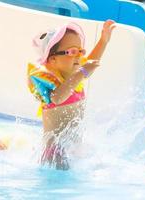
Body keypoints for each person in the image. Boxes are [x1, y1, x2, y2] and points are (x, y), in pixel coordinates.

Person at [28, 20, 116, 170]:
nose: (79, 57)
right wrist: (82, 72)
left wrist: (103, 41)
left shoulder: (74, 77)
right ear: (52, 59)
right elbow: (57, 98)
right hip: (56, 153)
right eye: (72, 52)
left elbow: (90, 64)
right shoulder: (54, 83)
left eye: (80, 51)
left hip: (73, 149)